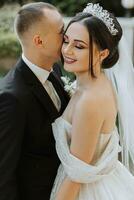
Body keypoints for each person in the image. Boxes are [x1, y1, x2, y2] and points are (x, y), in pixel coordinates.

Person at [50, 3, 134, 200]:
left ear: (103, 54)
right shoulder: (94, 82)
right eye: (66, 41)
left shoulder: (91, 100)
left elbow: (77, 176)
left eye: (79, 46)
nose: (67, 51)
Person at [0, 2, 69, 200]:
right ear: (39, 41)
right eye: (60, 31)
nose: (66, 37)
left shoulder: (55, 70)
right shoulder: (11, 98)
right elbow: (3, 174)